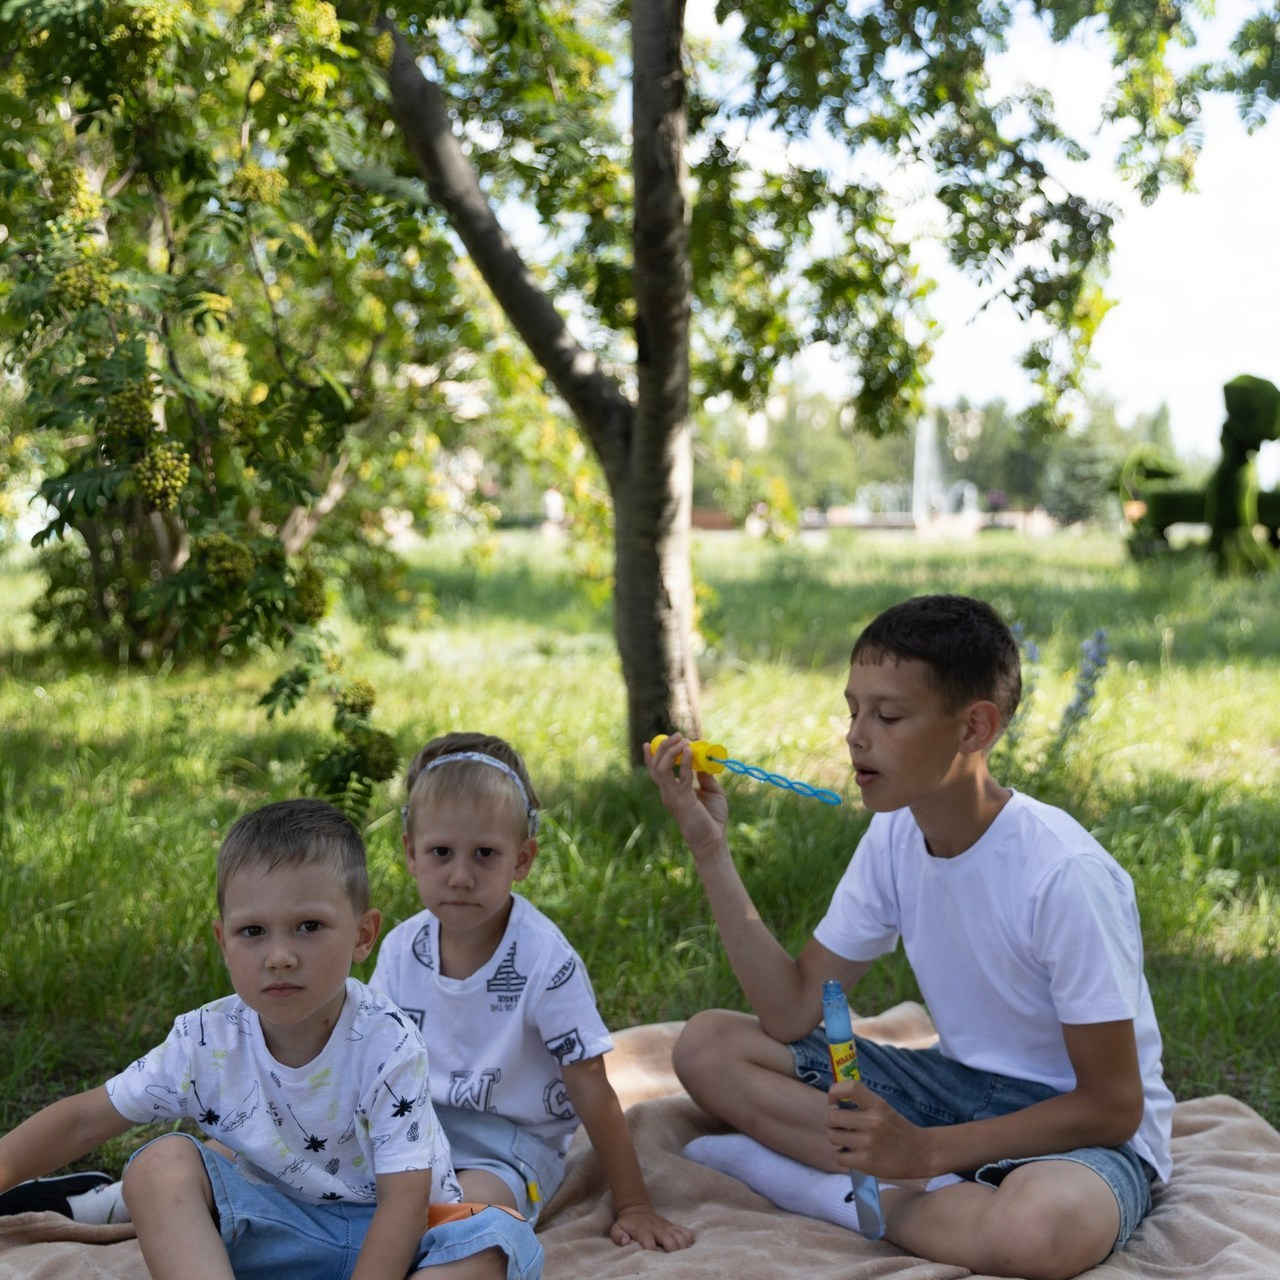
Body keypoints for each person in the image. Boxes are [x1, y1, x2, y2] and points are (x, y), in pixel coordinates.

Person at [646, 594, 1173, 1280]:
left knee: (1042, 1232)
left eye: (888, 715)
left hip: (1078, 1130)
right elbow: (790, 1011)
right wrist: (710, 849)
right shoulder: (896, 832)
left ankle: (833, 1192)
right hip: (955, 1088)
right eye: (853, 710)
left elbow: (1112, 1104)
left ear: (974, 728)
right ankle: (931, 1194)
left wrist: (925, 1154)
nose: (856, 735)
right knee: (710, 1046)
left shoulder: (1062, 875)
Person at [0, 798, 543, 1280]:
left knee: (494, 1241)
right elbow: (83, 1119)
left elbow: (404, 1205)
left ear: (362, 934)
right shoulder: (205, 1040)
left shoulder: (388, 1042)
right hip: (275, 1230)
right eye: (253, 931)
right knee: (158, 1165)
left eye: (309, 926)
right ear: (223, 941)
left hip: (406, 1245)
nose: (279, 955)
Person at [371, 732, 692, 1254]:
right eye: (440, 852)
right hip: (412, 1134)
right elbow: (370, 1059)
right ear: (410, 853)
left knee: (464, 1218)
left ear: (523, 859)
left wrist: (634, 1205)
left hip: (509, 1149)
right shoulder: (400, 949)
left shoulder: (544, 959)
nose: (460, 876)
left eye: (485, 854)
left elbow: (591, 1086)